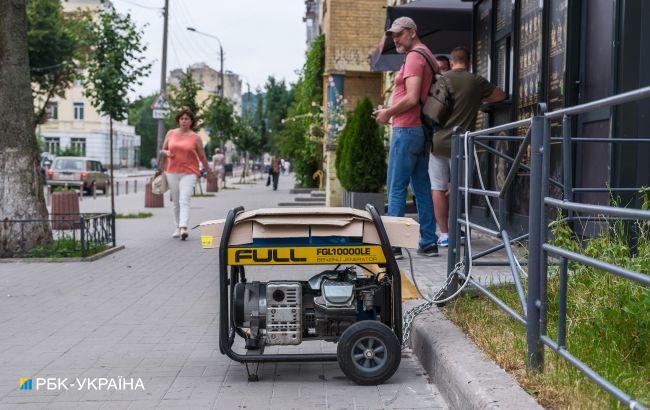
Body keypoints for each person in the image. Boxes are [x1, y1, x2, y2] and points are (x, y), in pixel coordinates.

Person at [374, 16, 440, 258]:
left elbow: (412, 98)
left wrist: (387, 113)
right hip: (421, 130)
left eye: (399, 33)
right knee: (422, 186)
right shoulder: (428, 55)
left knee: (396, 187)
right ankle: (429, 242)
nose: (395, 38)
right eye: (392, 34)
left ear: (412, 32)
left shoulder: (414, 57)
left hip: (407, 129)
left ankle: (394, 246)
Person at [430, 47, 507, 247]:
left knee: (437, 188)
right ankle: (456, 230)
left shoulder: (441, 79)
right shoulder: (475, 81)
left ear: (452, 60)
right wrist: (478, 98)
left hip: (437, 141)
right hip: (461, 144)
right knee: (457, 188)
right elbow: (501, 95)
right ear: (469, 62)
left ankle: (444, 234)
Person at [161, 108, 212, 241]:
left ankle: (183, 227)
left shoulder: (195, 137)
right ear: (178, 120)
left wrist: (209, 172)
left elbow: (202, 156)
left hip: (189, 173)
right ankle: (177, 226)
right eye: (182, 118)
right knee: (176, 202)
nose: (184, 121)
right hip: (171, 171)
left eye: (187, 119)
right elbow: (163, 149)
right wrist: (166, 153)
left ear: (191, 121)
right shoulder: (170, 133)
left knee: (185, 200)